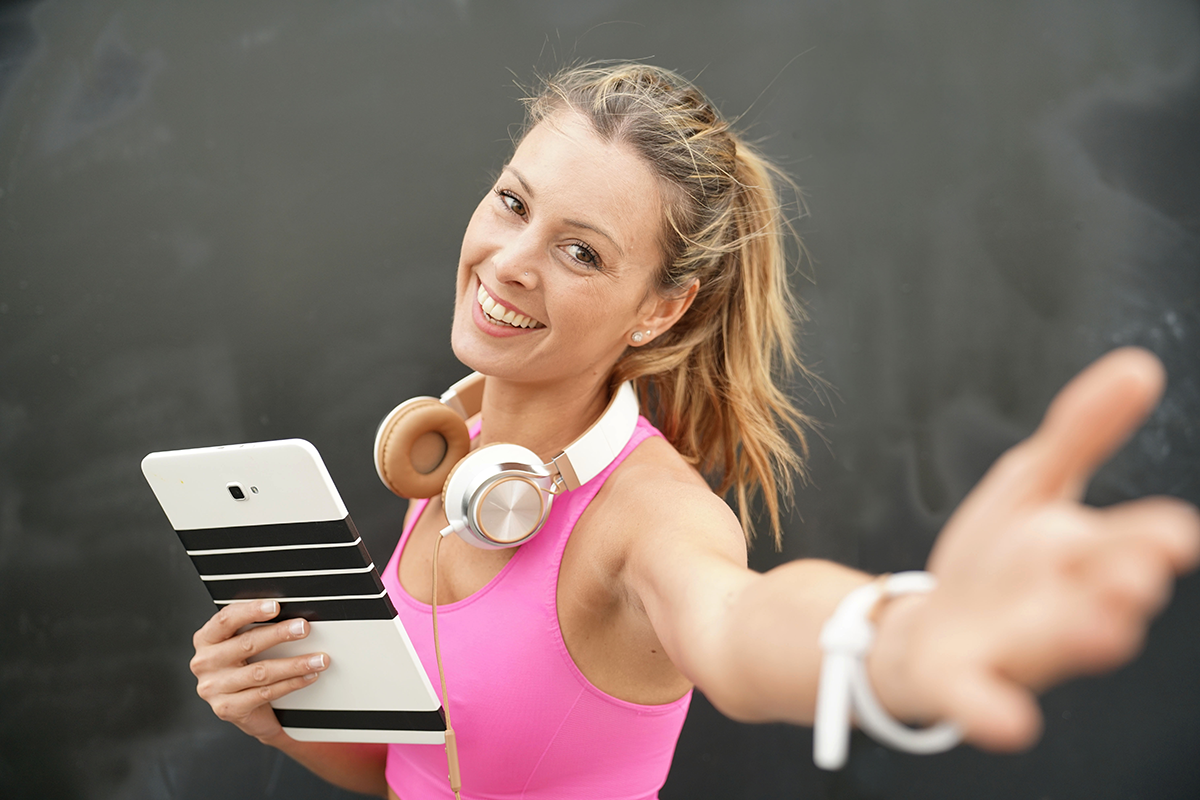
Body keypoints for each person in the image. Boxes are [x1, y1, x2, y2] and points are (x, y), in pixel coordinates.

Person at [188, 63, 1200, 799]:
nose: (507, 260)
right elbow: (404, 770)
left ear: (658, 309)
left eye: (580, 251)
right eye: (512, 203)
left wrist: (891, 639)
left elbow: (739, 624)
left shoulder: (653, 519)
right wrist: (274, 712)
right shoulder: (458, 452)